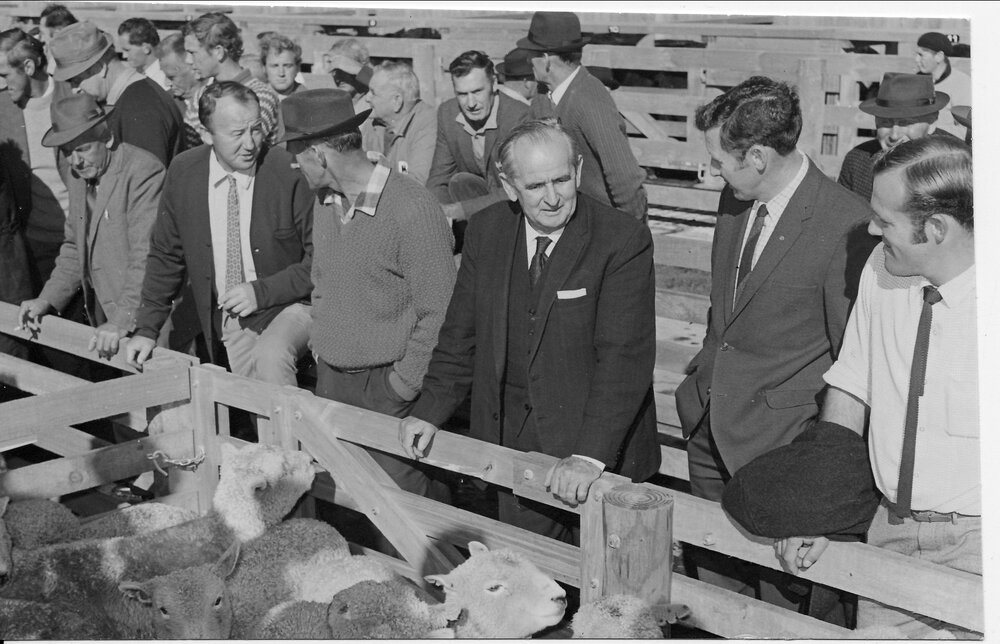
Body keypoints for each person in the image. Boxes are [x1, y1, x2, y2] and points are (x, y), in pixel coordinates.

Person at [400, 119, 660, 544]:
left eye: (562, 179)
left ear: (577, 171)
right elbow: (460, 334)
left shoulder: (621, 240)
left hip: (593, 448)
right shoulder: (487, 231)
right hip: (509, 441)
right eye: (536, 186)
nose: (553, 198)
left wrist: (587, 456)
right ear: (508, 185)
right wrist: (431, 409)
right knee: (524, 574)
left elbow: (624, 358)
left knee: (606, 590)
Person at [673, 76, 875, 619]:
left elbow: (853, 365)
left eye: (719, 158)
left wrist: (819, 489)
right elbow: (728, 313)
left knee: (774, 613)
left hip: (779, 451)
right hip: (708, 431)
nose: (713, 168)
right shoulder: (735, 197)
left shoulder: (846, 223)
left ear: (758, 156)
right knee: (710, 603)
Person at [775, 137, 978, 639]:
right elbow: (849, 390)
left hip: (978, 545)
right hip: (888, 530)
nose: (870, 228)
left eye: (885, 221)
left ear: (935, 228)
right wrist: (826, 510)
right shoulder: (880, 269)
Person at [280, 88, 456, 499]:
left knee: (401, 517)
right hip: (332, 383)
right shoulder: (325, 203)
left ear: (320, 154)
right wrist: (324, 352)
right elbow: (321, 281)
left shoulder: (412, 208)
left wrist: (401, 386)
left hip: (385, 390)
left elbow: (441, 313)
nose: (294, 162)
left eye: (297, 152)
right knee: (344, 505)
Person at [126, 81, 313, 387]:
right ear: (205, 134)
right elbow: (166, 256)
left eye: (256, 129)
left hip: (290, 304)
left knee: (271, 359)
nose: (251, 144)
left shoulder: (287, 170)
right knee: (254, 407)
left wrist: (261, 292)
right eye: (237, 134)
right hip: (231, 318)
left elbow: (320, 260)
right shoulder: (185, 171)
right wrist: (147, 328)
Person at [18, 93, 165, 359]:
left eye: (83, 149)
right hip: (109, 322)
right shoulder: (79, 175)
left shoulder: (143, 172)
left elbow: (145, 257)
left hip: (151, 323)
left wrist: (122, 320)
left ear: (107, 139)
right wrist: (47, 298)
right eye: (66, 152)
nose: (75, 161)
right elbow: (75, 246)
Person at [521, 11, 647, 221]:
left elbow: (626, 178)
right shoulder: (543, 96)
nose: (527, 60)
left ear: (546, 59)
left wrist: (630, 236)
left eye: (531, 53)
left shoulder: (588, 99)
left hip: (602, 225)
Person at [50, 21, 183, 167]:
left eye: (77, 80)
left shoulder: (139, 107)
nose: (75, 89)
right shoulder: (133, 96)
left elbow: (146, 180)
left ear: (100, 68)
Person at [0, 28, 69, 293]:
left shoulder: (73, 96)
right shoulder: (3, 109)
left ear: (28, 66)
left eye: (6, 75)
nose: (4, 84)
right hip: (29, 249)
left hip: (77, 246)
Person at [426, 50, 529, 228]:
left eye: (477, 91)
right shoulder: (447, 113)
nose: (471, 103)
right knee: (459, 180)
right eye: (462, 94)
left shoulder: (518, 117)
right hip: (472, 206)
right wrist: (437, 213)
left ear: (494, 83)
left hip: (515, 211)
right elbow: (438, 180)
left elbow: (520, 187)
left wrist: (457, 211)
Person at [838, 72, 957, 202]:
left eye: (905, 122)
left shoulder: (955, 163)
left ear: (932, 122)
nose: (894, 135)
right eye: (885, 122)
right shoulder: (858, 160)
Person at [181, 12, 281, 144]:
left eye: (192, 53)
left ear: (218, 52)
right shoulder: (200, 95)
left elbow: (246, 149)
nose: (188, 60)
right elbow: (189, 149)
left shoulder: (261, 96)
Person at [360, 61, 437, 184]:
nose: (367, 98)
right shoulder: (372, 123)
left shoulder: (427, 124)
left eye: (373, 92)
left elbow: (417, 184)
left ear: (397, 101)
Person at [914, 31, 971, 138]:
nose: (916, 60)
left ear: (939, 56)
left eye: (921, 55)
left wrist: (930, 128)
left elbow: (965, 131)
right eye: (916, 54)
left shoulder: (962, 83)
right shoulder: (918, 80)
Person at [155, 32, 203, 151]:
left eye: (172, 77)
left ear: (192, 65)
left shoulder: (216, 93)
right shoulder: (165, 103)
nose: (167, 83)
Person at [116, 17, 169, 91]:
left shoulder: (164, 80)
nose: (124, 56)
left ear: (146, 48)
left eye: (127, 50)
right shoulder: (134, 75)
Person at [322, 38, 372, 109]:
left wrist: (359, 70)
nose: (338, 76)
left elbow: (382, 83)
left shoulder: (373, 100)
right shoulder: (333, 104)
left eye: (344, 70)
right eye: (335, 71)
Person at [259, 32, 304, 100]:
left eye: (287, 66)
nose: (281, 73)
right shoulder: (256, 98)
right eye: (275, 66)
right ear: (264, 68)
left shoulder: (306, 99)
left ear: (297, 68)